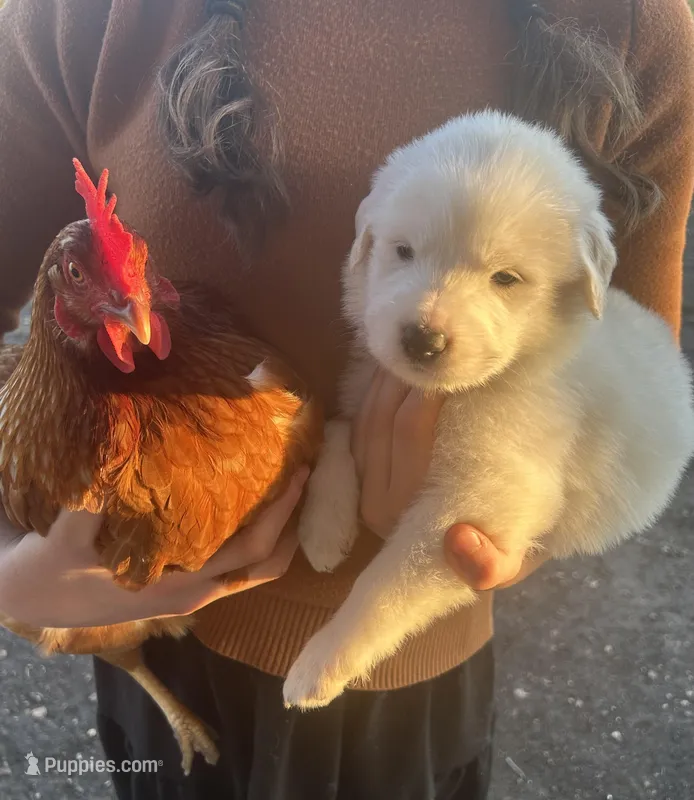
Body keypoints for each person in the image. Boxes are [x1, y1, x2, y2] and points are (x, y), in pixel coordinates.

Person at [0, 0, 692, 797]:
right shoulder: (89, 16)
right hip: (155, 647)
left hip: (408, 668)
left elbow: (639, 383)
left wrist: (504, 532)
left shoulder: (630, 25)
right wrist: (12, 569)